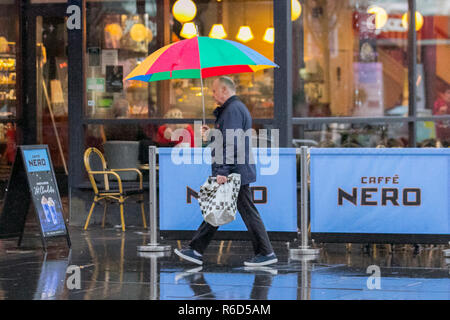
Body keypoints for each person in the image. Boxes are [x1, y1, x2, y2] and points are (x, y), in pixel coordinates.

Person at [174, 76, 277, 267]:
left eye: (214, 91)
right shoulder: (233, 110)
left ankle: (265, 252)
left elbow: (231, 143)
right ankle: (196, 249)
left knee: (234, 209)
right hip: (236, 169)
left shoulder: (232, 110)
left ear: (224, 90)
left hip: (233, 170)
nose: (212, 95)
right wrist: (211, 134)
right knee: (221, 207)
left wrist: (222, 170)